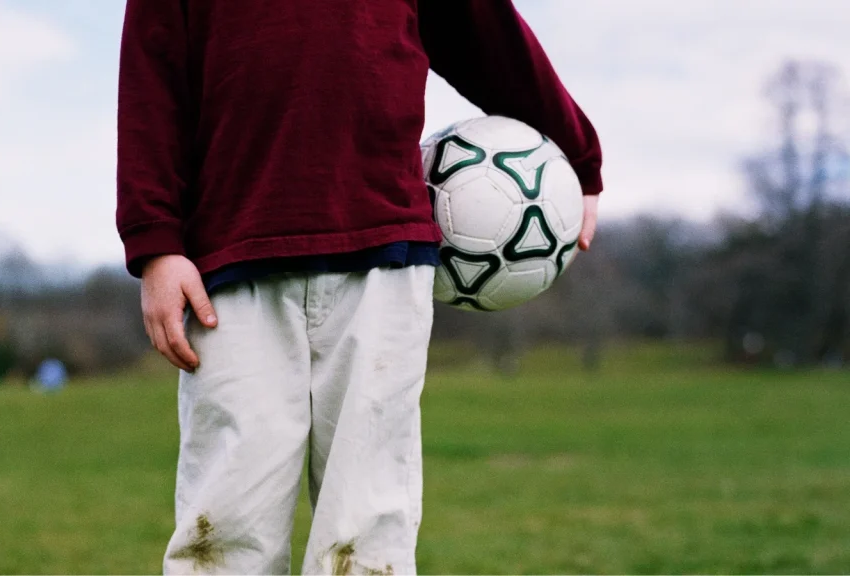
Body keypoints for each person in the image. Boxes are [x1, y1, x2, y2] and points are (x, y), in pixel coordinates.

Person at [116, 0, 603, 573]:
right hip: (228, 265)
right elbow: (151, 77)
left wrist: (578, 154)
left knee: (368, 526)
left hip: (383, 259)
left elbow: (490, 37)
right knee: (223, 526)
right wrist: (156, 241)